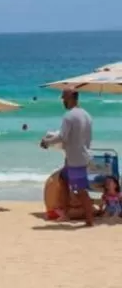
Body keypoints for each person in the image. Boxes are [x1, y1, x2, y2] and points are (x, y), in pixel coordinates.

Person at [41, 89, 95, 226]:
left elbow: (63, 137)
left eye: (64, 98)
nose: (63, 101)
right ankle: (65, 213)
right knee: (63, 179)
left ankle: (90, 221)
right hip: (83, 156)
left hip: (76, 160)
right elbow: (86, 139)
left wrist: (46, 142)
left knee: (81, 190)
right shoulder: (87, 115)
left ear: (71, 98)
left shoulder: (69, 116)